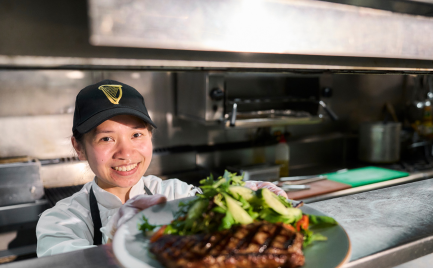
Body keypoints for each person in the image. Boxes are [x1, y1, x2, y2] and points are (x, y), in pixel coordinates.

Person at [36, 80, 287, 257]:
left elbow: (214, 210)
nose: (126, 153)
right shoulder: (60, 221)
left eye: (136, 134)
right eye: (107, 139)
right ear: (79, 148)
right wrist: (118, 234)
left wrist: (247, 197)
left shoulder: (175, 194)